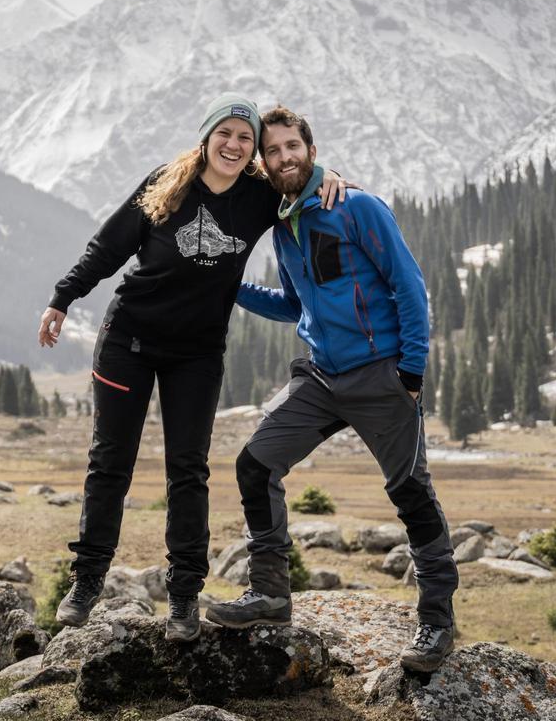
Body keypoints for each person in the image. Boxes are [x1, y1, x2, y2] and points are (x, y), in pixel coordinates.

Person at [38, 93, 348, 642]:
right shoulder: (168, 183)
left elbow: (299, 177)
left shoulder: (258, 196)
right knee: (111, 461)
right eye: (225, 133)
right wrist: (63, 298)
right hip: (128, 339)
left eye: (245, 138)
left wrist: (330, 175)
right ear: (206, 137)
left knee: (189, 469)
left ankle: (183, 598)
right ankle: (86, 581)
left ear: (253, 151)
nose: (234, 144)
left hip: (198, 352)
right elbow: (109, 247)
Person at [204, 106, 458, 673]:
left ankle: (437, 625)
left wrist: (410, 373)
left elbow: (408, 286)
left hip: (381, 374)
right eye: (272, 152)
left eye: (292, 146)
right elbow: (294, 305)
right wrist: (233, 286)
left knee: (411, 495)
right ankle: (270, 595)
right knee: (255, 464)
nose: (283, 156)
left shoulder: (357, 206)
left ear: (311, 151)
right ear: (264, 164)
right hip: (321, 376)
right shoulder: (284, 224)